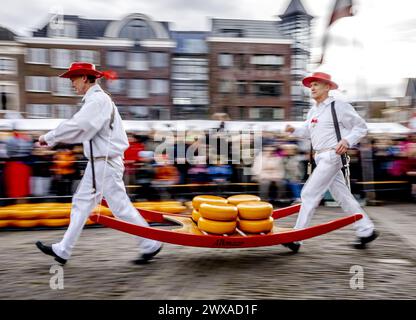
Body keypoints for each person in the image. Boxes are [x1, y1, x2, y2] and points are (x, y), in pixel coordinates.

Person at [35, 62, 162, 265]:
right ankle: (149, 243)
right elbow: (82, 128)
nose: (71, 83)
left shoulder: (96, 100)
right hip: (103, 163)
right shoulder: (98, 100)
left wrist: (48, 138)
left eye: (73, 79)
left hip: (103, 164)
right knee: (112, 206)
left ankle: (64, 250)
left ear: (84, 78)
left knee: (90, 204)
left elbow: (79, 125)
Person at [284, 72, 378, 252]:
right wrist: (293, 130)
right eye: (310, 85)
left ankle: (297, 237)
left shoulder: (339, 106)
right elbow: (307, 132)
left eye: (316, 84)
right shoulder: (313, 111)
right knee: (343, 196)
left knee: (309, 193)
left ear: (327, 87)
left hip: (332, 156)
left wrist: (347, 140)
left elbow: (361, 127)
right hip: (320, 157)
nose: (311, 87)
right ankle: (366, 230)